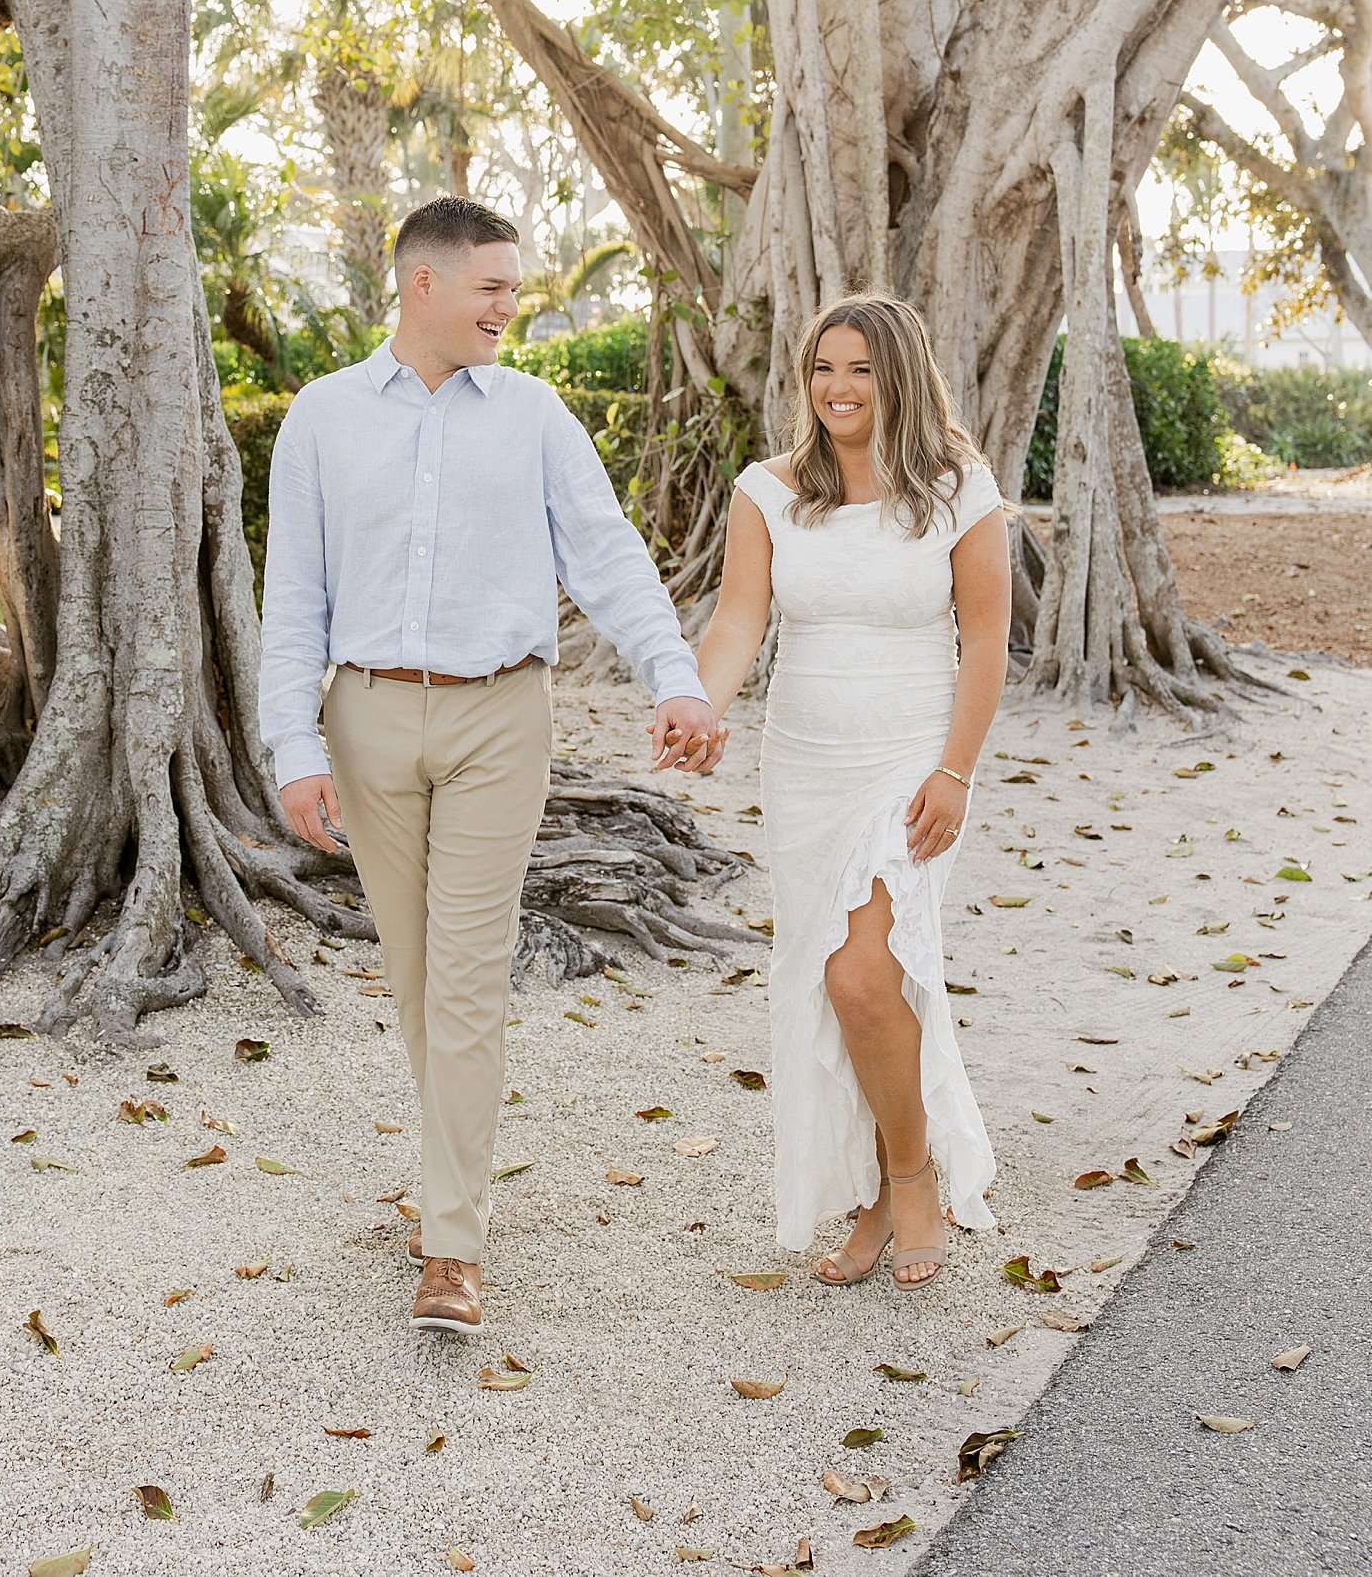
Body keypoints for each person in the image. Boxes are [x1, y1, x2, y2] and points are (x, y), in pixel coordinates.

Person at [259, 196, 717, 1335]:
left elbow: (607, 556)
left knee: (465, 982)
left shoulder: (536, 416)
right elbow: (291, 604)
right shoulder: (321, 419)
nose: (514, 307)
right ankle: (451, 1162)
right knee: (416, 982)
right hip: (366, 723)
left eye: (516, 288)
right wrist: (293, 748)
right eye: (495, 288)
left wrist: (676, 676)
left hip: (501, 720)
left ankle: (451, 1246)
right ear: (425, 285)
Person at [692, 295, 1010, 1287]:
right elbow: (739, 621)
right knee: (836, 984)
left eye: (862, 368)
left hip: (911, 761)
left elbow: (988, 638)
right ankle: (873, 1190)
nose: (839, 386)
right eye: (824, 367)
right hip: (804, 764)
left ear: (900, 376)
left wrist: (956, 770)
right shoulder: (769, 491)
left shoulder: (959, 488)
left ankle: (911, 1179)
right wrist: (697, 707)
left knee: (864, 973)